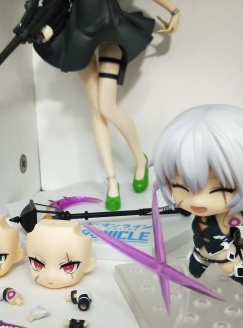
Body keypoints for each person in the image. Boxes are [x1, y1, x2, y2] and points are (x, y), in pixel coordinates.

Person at [34, 0, 180, 210]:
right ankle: (112, 179)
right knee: (97, 109)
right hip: (79, 34)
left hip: (110, 29)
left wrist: (174, 10)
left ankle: (140, 159)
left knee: (106, 106)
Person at [152, 104, 243, 293]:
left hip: (224, 253)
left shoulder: (227, 218)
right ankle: (194, 286)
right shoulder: (195, 210)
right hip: (200, 251)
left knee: (234, 272)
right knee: (194, 269)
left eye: (220, 188)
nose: (198, 201)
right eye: (180, 187)